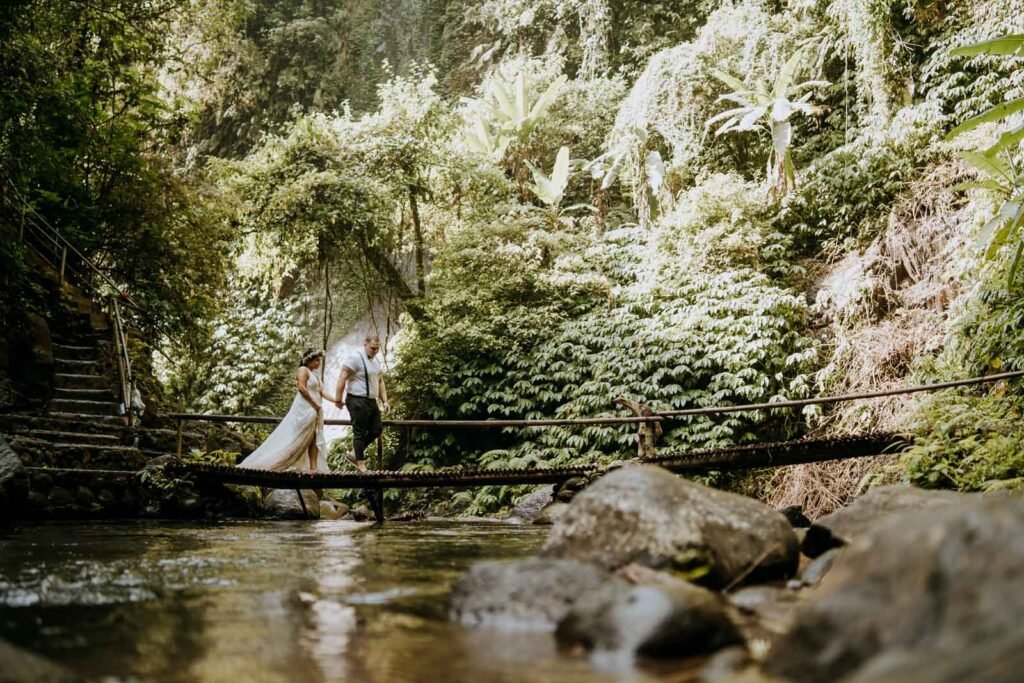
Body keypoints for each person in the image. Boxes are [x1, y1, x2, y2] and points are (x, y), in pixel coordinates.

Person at [237, 348, 334, 472]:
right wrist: (314, 404)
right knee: (300, 435)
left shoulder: (314, 374)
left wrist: (336, 401)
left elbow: (321, 392)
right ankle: (273, 462)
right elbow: (301, 387)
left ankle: (313, 468)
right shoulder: (303, 370)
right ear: (308, 360)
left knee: (314, 436)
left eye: (319, 361)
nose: (319, 363)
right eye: (316, 360)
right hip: (306, 407)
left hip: (316, 408)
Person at [335, 335, 390, 472]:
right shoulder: (355, 358)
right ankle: (361, 465)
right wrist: (337, 398)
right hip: (356, 399)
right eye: (372, 348)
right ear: (365, 344)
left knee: (377, 429)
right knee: (359, 432)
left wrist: (385, 401)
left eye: (377, 349)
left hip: (371, 400)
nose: (375, 351)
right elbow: (342, 377)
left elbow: (380, 381)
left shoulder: (376, 360)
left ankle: (354, 454)